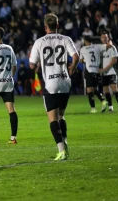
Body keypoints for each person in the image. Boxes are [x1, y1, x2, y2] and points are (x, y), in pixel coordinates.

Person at [29, 13, 79, 161]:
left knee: (52, 119)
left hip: (51, 83)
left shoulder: (39, 42)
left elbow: (32, 64)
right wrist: (72, 68)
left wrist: (36, 65)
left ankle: (61, 150)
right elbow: (75, 57)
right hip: (65, 81)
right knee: (61, 116)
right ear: (57, 25)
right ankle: (65, 144)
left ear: (45, 27)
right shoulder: (66, 39)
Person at [79, 36, 112, 113]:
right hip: (96, 70)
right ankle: (103, 101)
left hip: (89, 70)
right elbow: (109, 45)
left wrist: (86, 60)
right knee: (94, 89)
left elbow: (81, 60)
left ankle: (93, 108)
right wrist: (109, 41)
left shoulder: (83, 49)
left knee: (89, 90)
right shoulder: (97, 47)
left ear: (85, 41)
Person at [99, 31, 118, 113]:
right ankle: (110, 107)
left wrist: (105, 68)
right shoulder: (99, 49)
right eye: (103, 37)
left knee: (114, 88)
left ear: (108, 38)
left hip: (111, 72)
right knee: (106, 90)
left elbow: (114, 60)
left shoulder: (112, 47)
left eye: (106, 37)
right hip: (103, 73)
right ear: (100, 38)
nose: (104, 39)